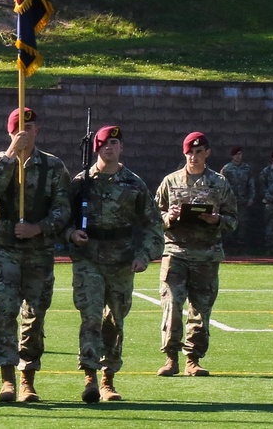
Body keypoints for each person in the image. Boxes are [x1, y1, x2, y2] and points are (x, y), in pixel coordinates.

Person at [67, 125, 163, 403]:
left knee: (114, 320)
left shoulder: (134, 184)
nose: (109, 147)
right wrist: (71, 234)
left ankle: (109, 378)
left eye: (115, 142)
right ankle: (90, 378)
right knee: (91, 317)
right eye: (104, 143)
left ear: (122, 147)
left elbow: (153, 225)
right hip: (89, 259)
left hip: (121, 261)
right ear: (96, 148)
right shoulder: (81, 183)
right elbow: (61, 219)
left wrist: (144, 255)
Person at [0, 107, 71, 403]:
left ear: (38, 130)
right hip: (6, 247)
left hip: (38, 249)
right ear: (10, 132)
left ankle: (27, 377)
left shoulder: (53, 166)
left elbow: (63, 209)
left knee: (34, 314)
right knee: (6, 311)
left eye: (30, 127)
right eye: (19, 128)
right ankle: (7, 377)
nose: (25, 132)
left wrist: (38, 228)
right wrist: (10, 154)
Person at [155, 132, 238, 377]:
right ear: (184, 153)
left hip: (206, 256)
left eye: (199, 152)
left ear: (207, 153)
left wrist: (216, 220)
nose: (194, 156)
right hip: (176, 253)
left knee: (201, 310)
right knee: (171, 304)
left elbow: (233, 219)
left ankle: (193, 358)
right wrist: (168, 217)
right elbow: (152, 215)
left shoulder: (219, 183)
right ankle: (171, 358)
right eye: (190, 152)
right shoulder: (170, 182)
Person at [219, 146, 254, 250]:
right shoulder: (226, 169)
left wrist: (251, 198)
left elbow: (251, 184)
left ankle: (240, 244)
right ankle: (229, 245)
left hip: (243, 201)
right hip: (230, 202)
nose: (238, 156)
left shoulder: (247, 168)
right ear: (232, 156)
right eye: (236, 154)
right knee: (229, 223)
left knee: (243, 223)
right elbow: (221, 185)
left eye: (240, 154)